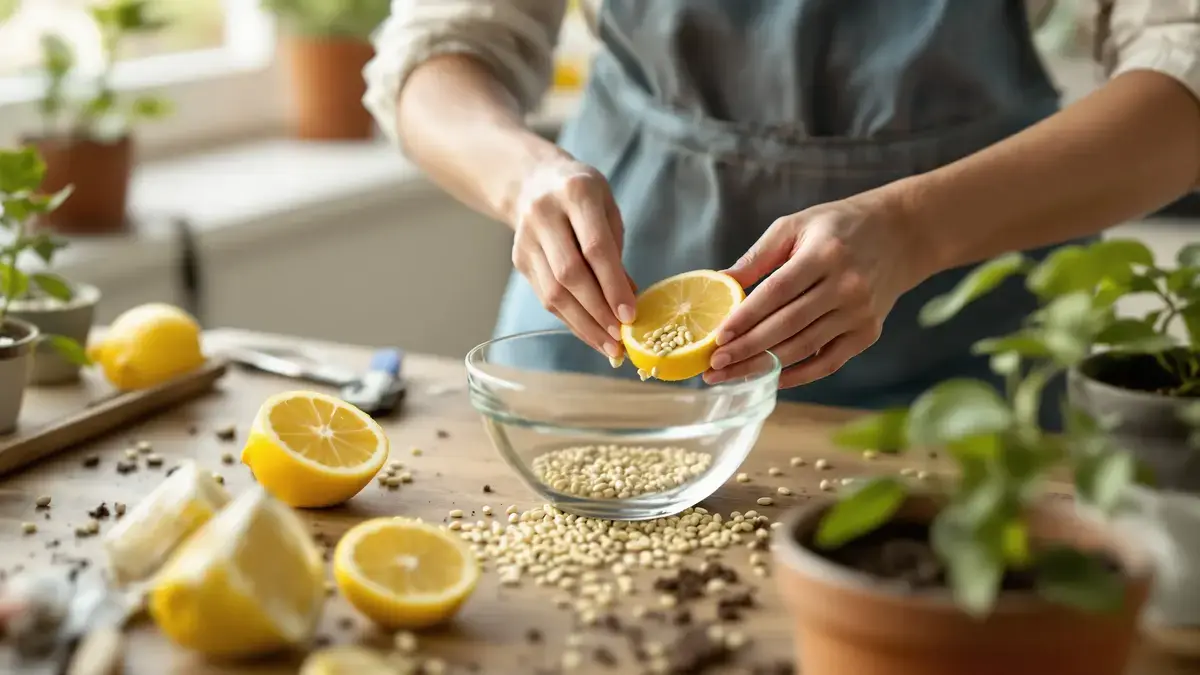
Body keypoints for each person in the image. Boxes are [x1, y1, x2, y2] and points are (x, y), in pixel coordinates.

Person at [363, 1, 1200, 421]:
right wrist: (525, 179)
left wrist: (915, 227)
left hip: (968, 342)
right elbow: (440, 46)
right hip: (607, 357)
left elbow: (1185, 65)